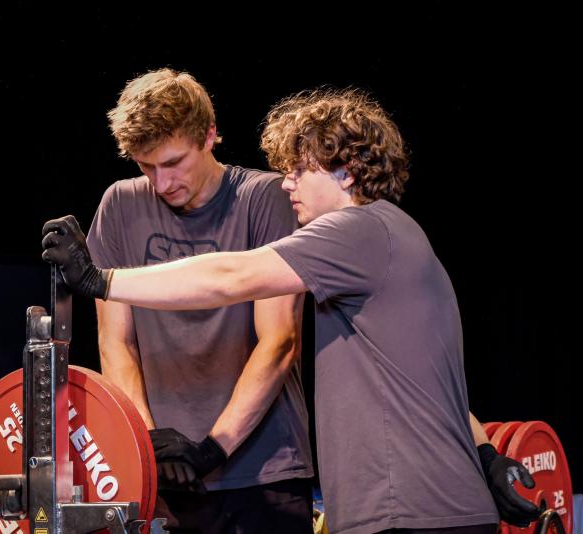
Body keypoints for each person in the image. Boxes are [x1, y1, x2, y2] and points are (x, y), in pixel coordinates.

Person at [43, 88, 541, 533]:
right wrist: (485, 454)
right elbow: (426, 378)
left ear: (347, 171)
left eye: (300, 170)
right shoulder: (390, 238)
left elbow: (231, 276)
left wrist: (100, 280)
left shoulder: (356, 232)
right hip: (429, 506)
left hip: (406, 511)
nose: (287, 184)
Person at [73, 68, 315, 533]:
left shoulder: (265, 198)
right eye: (146, 167)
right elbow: (116, 342)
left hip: (264, 472)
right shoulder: (119, 205)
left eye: (173, 163)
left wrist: (212, 449)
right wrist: (150, 444)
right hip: (164, 478)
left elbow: (280, 341)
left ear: (208, 135)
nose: (161, 183)